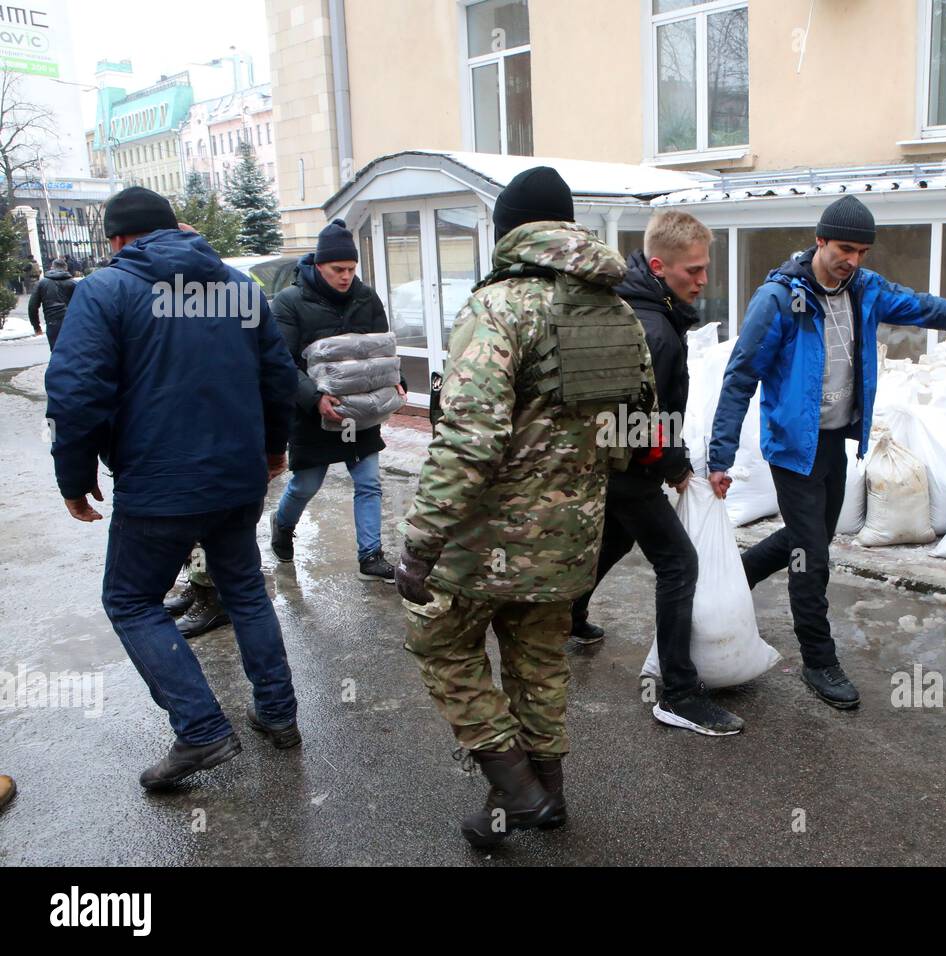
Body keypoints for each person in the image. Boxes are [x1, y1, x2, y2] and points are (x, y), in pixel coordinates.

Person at [396, 166, 655, 849]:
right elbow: (638, 431)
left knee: (439, 640)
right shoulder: (618, 311)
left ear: (507, 231)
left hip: (486, 534)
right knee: (539, 658)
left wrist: (421, 540)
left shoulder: (500, 306)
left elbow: (469, 439)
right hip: (572, 535)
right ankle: (547, 796)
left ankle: (515, 787)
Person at [708, 196, 946, 710]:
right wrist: (720, 456)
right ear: (820, 240)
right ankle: (819, 662)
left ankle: (738, 575)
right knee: (811, 558)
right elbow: (740, 378)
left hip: (834, 441)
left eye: (863, 251)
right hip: (792, 448)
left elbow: (931, 308)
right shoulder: (780, 299)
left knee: (812, 535)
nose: (854, 260)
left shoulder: (865, 290)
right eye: (846, 248)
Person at [45, 187, 303, 790]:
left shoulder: (106, 291)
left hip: (161, 486)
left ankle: (200, 728)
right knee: (243, 590)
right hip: (236, 477)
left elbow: (76, 393)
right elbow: (277, 378)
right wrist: (271, 452)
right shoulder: (241, 289)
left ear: (117, 240)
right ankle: (278, 713)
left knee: (131, 601)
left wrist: (74, 477)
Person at [570, 210, 744, 736]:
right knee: (679, 564)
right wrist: (676, 466)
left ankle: (565, 617)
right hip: (627, 466)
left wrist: (673, 458)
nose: (703, 279)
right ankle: (679, 692)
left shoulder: (643, 308)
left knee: (615, 542)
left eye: (704, 268)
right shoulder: (654, 329)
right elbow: (638, 418)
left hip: (614, 460)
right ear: (658, 265)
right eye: (693, 270)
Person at [269, 219, 404, 582]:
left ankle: (371, 555)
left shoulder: (366, 298)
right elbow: (281, 362)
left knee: (369, 482)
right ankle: (282, 524)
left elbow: (381, 352)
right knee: (306, 485)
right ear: (317, 266)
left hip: (360, 412)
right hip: (313, 414)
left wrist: (398, 381)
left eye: (351, 269)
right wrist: (314, 399)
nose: (346, 276)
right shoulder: (289, 303)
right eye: (338, 269)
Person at [27, 257, 78, 348]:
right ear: (65, 268)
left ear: (52, 267)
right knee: (74, 352)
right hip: (72, 323)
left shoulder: (41, 284)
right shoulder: (73, 284)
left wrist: (36, 327)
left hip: (52, 323)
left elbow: (32, 306)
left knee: (57, 353)